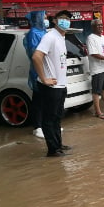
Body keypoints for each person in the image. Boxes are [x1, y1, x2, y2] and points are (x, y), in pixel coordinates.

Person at [31, 10, 73, 157]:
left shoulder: (61, 37)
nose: (65, 21)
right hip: (51, 86)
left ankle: (58, 144)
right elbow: (36, 57)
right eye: (62, 18)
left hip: (60, 85)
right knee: (49, 118)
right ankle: (53, 150)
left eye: (68, 19)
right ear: (54, 20)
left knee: (57, 117)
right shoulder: (50, 37)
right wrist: (44, 78)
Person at [23, 10, 48, 138]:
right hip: (38, 70)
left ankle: (46, 125)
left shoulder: (44, 32)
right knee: (38, 99)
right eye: (44, 17)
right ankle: (37, 126)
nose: (46, 19)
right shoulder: (33, 33)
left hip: (48, 70)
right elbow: (34, 53)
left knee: (47, 100)